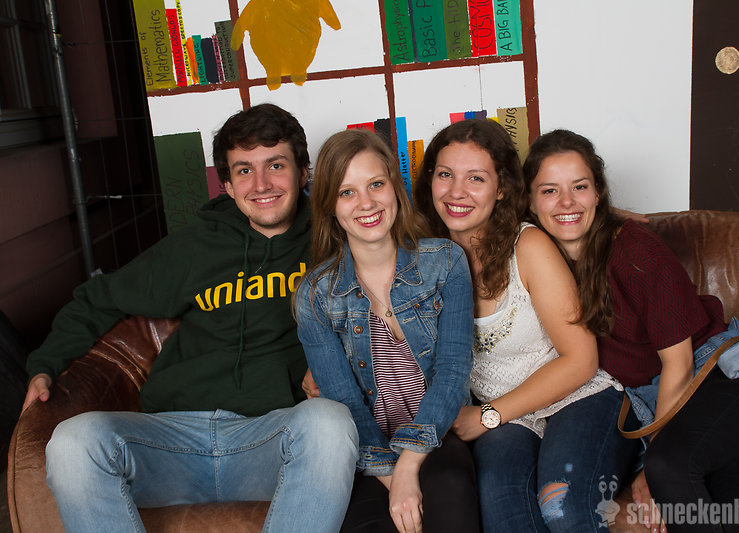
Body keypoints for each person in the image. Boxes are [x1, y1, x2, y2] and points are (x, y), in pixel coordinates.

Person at [22, 103, 359, 533]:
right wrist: (44, 366)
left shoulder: (332, 242)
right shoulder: (194, 248)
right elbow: (97, 299)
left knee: (330, 425)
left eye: (275, 165)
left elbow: (382, 308)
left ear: (303, 172)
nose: (261, 184)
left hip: (270, 440)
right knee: (72, 442)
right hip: (172, 441)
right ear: (227, 184)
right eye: (244, 170)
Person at [524, 128, 739, 533]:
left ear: (598, 193)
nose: (567, 201)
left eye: (579, 187)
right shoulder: (540, 259)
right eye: (550, 190)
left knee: (669, 466)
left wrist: (653, 465)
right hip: (694, 409)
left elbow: (680, 363)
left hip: (737, 378)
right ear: (529, 201)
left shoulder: (636, 250)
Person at [413, 118, 640, 533]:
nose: (456, 192)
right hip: (509, 420)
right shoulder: (423, 259)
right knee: (507, 517)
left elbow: (581, 360)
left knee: (563, 508)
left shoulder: (528, 245)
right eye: (445, 175)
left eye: (476, 178)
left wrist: (487, 417)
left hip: (576, 398)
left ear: (501, 189)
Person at [294, 128, 479, 533]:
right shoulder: (315, 295)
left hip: (437, 436)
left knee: (449, 489)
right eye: (347, 192)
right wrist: (394, 481)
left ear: (395, 187)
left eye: (376, 184)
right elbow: (344, 402)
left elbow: (452, 372)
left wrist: (409, 467)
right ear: (329, 207)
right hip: (368, 449)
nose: (366, 203)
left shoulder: (446, 262)